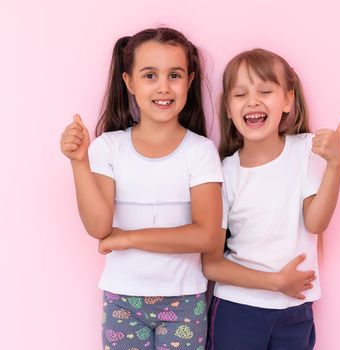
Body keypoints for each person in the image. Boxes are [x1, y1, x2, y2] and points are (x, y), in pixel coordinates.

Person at [60, 27, 222, 350]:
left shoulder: (200, 152)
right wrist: (79, 162)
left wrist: (130, 238)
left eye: (174, 75)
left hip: (184, 300)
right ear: (129, 82)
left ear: (189, 81)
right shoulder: (108, 148)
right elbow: (99, 226)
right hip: (122, 300)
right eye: (150, 75)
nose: (164, 87)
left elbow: (206, 235)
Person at [203, 48, 340, 349]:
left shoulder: (307, 151)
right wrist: (275, 282)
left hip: (296, 310)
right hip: (237, 308)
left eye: (265, 90)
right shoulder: (224, 173)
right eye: (240, 94)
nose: (253, 101)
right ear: (228, 109)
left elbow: (316, 222)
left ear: (287, 100)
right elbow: (212, 265)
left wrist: (336, 165)